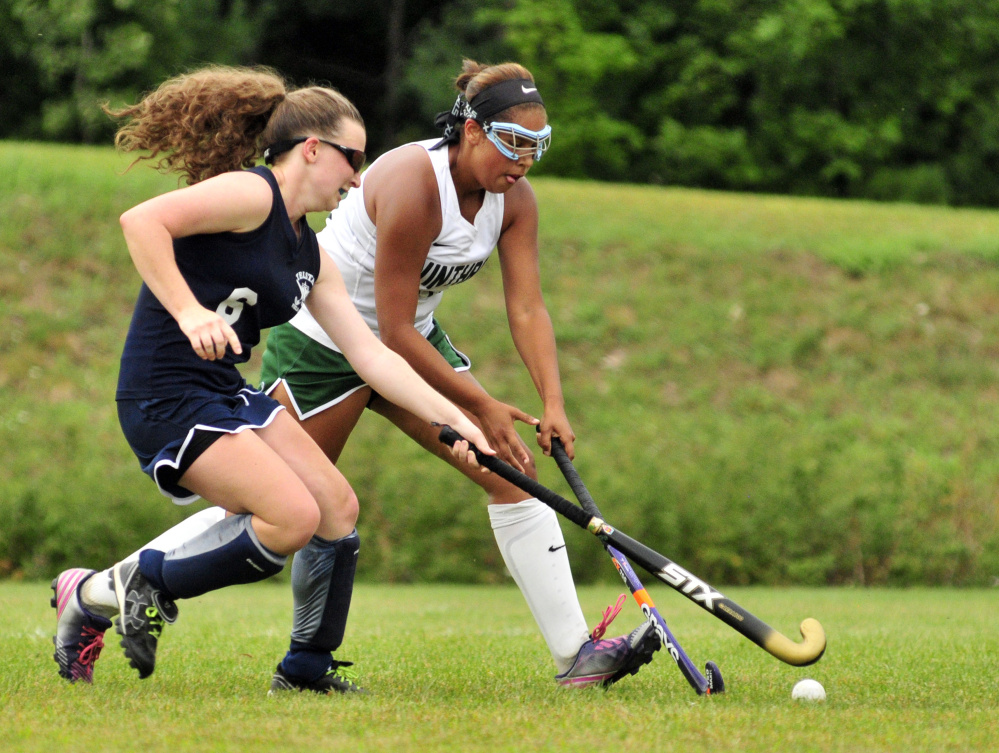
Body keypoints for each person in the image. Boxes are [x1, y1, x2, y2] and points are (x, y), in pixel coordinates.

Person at [54, 60, 660, 693]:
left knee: (337, 505)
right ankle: (110, 590)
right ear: (313, 150)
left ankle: (308, 669)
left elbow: (379, 356)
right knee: (283, 509)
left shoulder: (306, 250)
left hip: (287, 374)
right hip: (231, 375)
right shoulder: (263, 193)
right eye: (352, 158)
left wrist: (461, 419)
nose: (359, 175)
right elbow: (141, 220)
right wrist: (187, 310)